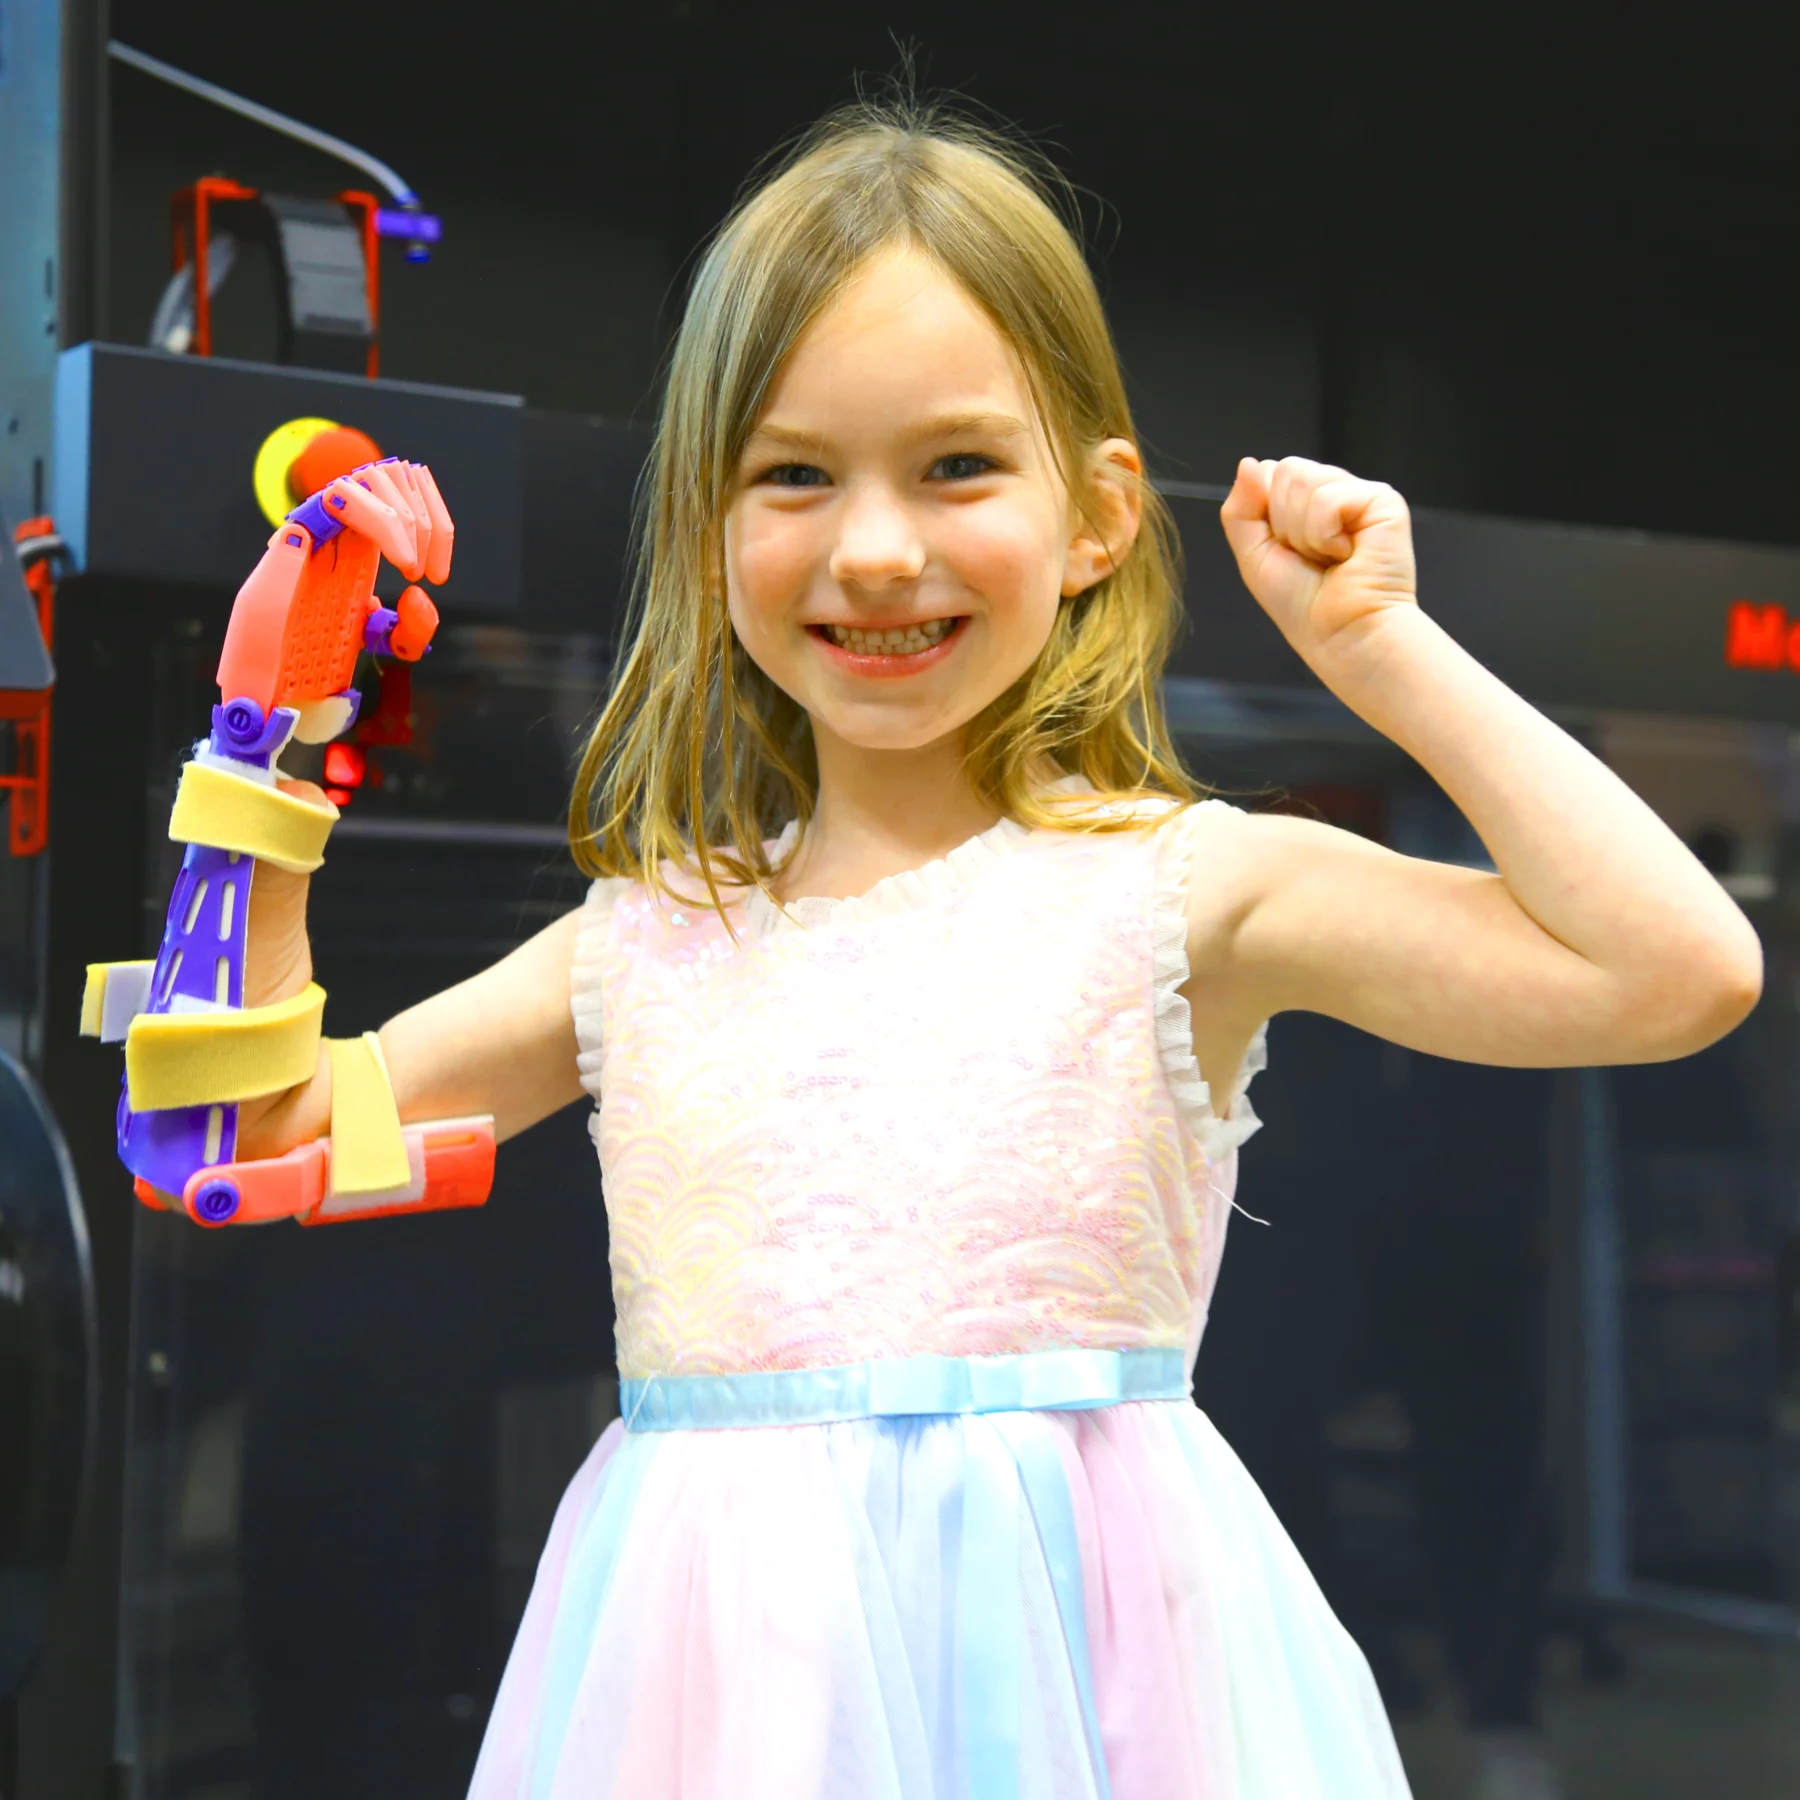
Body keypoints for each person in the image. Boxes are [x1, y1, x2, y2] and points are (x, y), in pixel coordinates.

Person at [222, 97, 1760, 1798]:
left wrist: (1384, 649)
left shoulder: (1190, 892)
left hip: (1117, 1712)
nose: (877, 548)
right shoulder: (639, 943)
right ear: (707, 521)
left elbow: (1674, 970)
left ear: (1099, 512)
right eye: (793, 474)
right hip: (724, 1715)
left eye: (957, 465)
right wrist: (267, 747)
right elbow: (255, 1135)